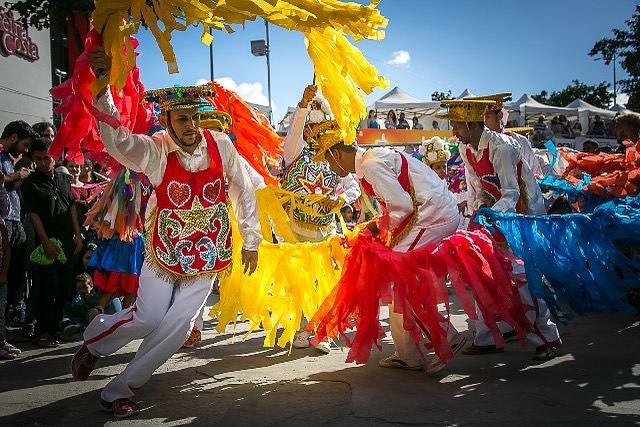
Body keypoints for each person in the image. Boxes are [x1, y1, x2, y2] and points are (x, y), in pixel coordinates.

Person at [71, 46, 261, 418]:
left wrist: (250, 239)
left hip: (208, 253)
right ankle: (94, 343)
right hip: (165, 250)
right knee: (148, 318)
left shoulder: (221, 145)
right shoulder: (156, 150)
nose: (190, 126)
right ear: (168, 120)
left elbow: (242, 188)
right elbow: (119, 142)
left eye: (194, 118)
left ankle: (118, 390)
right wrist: (103, 89)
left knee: (177, 328)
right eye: (181, 119)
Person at [319, 125, 466, 374]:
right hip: (430, 213)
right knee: (393, 275)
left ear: (336, 153)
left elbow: (402, 206)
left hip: (432, 215)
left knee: (398, 275)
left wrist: (376, 230)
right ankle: (407, 353)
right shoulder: (370, 160)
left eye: (327, 160)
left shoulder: (369, 165)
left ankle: (445, 337)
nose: (330, 168)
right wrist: (379, 228)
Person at [435, 99, 560, 361]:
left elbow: (512, 192)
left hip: (521, 217)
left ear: (471, 124)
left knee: (522, 277)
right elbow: (478, 189)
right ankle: (490, 334)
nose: (454, 132)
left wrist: (490, 215)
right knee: (481, 272)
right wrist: (477, 214)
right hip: (493, 216)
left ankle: (546, 335)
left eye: (457, 125)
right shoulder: (465, 147)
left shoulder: (501, 147)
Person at [281, 85, 347, 353]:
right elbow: (295, 130)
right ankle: (297, 330)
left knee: (324, 280)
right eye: (312, 128)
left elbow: (350, 183)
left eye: (323, 129)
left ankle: (321, 331)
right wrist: (304, 105)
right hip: (295, 229)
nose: (317, 134)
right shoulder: (294, 151)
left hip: (325, 229)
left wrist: (340, 200)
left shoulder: (332, 155)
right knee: (297, 281)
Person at [21, 137, 84, 347]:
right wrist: (46, 242)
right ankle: (43, 331)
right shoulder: (31, 183)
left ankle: (56, 326)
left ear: (54, 156)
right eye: (38, 159)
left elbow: (72, 206)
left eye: (46, 158)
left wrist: (78, 234)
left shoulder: (62, 178)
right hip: (47, 243)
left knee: (64, 287)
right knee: (48, 287)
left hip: (67, 239)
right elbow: (33, 214)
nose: (42, 162)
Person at [0, 121, 35, 328]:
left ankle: (7, 325)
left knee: (16, 276)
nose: (26, 150)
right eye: (25, 145)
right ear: (13, 138)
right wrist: (16, 175)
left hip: (15, 221)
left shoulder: (7, 158)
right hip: (3, 225)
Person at [465, 92, 543, 176]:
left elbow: (536, 174)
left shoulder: (519, 141)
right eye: (479, 119)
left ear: (499, 115)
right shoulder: (473, 148)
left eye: (486, 117)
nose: (482, 123)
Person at [0, 174, 19, 360]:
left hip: (0, 276)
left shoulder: (1, 226)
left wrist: (4, 273)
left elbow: (6, 251)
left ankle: (0, 341)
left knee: (1, 312)